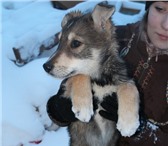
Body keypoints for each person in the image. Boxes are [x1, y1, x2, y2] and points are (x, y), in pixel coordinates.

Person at [47, 1, 168, 146]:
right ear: (149, 7)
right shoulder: (115, 38)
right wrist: (58, 109)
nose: (166, 25)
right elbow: (61, 107)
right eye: (160, 8)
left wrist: (141, 130)